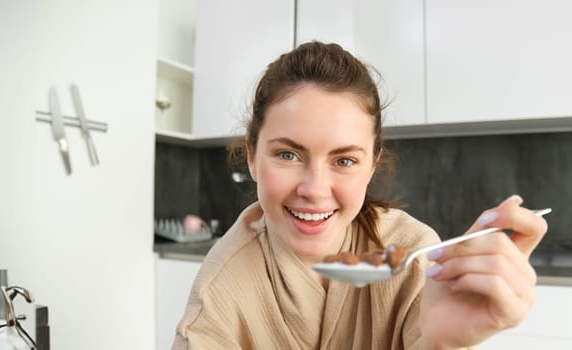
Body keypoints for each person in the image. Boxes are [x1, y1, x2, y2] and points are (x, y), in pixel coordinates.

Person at [172, 41, 548, 349]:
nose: (315, 190)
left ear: (371, 165)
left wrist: (441, 343)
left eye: (345, 160)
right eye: (288, 154)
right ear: (252, 158)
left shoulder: (417, 256)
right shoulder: (220, 288)